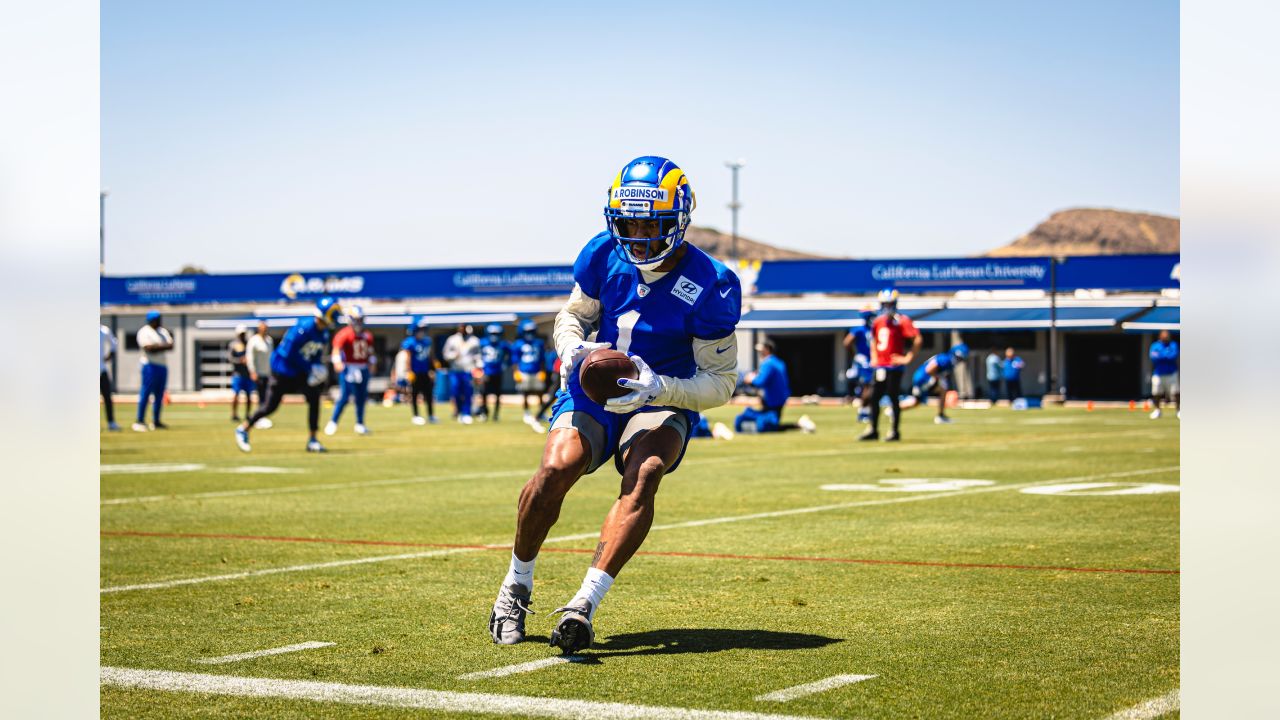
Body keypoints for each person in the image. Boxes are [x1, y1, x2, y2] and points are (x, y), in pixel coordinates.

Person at [488, 156, 740, 653]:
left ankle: (584, 602)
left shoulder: (712, 282)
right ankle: (514, 588)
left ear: (680, 221)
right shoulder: (603, 253)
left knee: (644, 472)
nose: (639, 235)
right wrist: (570, 351)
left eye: (652, 223)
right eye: (629, 222)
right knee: (556, 469)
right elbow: (572, 316)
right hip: (595, 389)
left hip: (660, 395)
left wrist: (659, 388)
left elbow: (721, 383)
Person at [235, 297, 341, 453]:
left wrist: (316, 368)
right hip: (283, 371)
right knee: (270, 407)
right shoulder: (303, 328)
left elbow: (316, 355)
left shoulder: (323, 334)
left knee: (314, 398)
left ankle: (312, 439)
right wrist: (310, 367)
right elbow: (289, 354)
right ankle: (243, 429)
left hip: (300, 371)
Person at [859, 289, 920, 442]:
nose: (887, 307)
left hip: (893, 367)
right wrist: (874, 357)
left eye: (889, 304)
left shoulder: (902, 320)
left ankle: (894, 431)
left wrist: (907, 358)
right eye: (884, 304)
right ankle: (873, 429)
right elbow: (874, 340)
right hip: (880, 365)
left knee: (893, 398)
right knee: (874, 398)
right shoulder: (878, 321)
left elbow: (917, 339)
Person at [735, 339, 815, 433]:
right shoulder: (779, 362)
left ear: (768, 349)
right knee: (770, 424)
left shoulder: (768, 363)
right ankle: (799, 425)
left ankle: (799, 424)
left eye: (762, 350)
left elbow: (760, 382)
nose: (760, 353)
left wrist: (750, 379)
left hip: (772, 400)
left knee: (767, 426)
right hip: (779, 398)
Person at [326, 305, 376, 436]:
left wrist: (372, 362)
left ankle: (360, 424)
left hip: (363, 367)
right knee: (344, 397)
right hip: (349, 367)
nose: (358, 322)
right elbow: (336, 349)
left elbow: (370, 352)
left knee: (361, 397)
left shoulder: (367, 335)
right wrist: (337, 362)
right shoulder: (344, 334)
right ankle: (333, 422)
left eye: (360, 319)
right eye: (356, 319)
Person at [903, 344, 968, 424]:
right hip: (923, 379)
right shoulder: (945, 359)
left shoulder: (947, 360)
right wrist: (940, 378)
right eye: (958, 358)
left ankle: (894, 409)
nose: (959, 360)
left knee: (916, 402)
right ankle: (940, 416)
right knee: (943, 389)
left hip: (922, 378)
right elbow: (929, 369)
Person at [134, 310, 174, 432]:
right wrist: (161, 346)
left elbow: (171, 345)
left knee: (159, 394)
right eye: (157, 319)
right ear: (151, 320)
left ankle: (156, 421)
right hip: (149, 365)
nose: (159, 321)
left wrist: (156, 346)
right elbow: (148, 348)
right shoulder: (144, 331)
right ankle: (140, 420)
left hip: (162, 366)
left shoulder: (163, 331)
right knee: (145, 393)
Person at [511, 319, 550, 433]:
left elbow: (542, 358)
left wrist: (543, 371)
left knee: (540, 393)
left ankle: (541, 412)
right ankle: (527, 413)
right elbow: (515, 360)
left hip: (536, 370)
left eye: (531, 331)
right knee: (525, 393)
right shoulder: (518, 344)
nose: (530, 333)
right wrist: (516, 372)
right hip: (524, 370)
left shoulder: (538, 343)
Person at [399, 318, 438, 425]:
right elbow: (407, 357)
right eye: (420, 329)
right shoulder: (410, 342)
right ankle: (416, 415)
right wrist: (408, 371)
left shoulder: (427, 341)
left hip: (425, 371)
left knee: (429, 394)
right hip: (415, 372)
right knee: (415, 394)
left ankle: (431, 415)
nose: (422, 332)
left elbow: (430, 356)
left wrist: (432, 369)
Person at [842, 306, 876, 423]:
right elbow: (847, 342)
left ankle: (864, 411)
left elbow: (847, 343)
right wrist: (856, 355)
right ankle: (864, 412)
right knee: (868, 387)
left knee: (868, 387)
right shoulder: (861, 330)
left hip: (869, 360)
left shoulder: (869, 329)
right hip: (866, 361)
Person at [442, 323, 481, 424]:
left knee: (468, 392)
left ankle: (467, 413)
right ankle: (459, 411)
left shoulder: (474, 340)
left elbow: (478, 355)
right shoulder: (452, 339)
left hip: (469, 370)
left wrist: (479, 368)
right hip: (456, 370)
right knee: (455, 391)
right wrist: (454, 355)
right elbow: (445, 354)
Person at [476, 323, 511, 422]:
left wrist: (505, 363)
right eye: (492, 333)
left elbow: (511, 354)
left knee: (498, 394)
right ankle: (484, 412)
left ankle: (496, 414)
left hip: (498, 371)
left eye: (496, 333)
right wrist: (479, 365)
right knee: (483, 393)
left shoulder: (503, 344)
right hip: (486, 372)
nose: (494, 336)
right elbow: (477, 354)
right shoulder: (483, 342)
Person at [246, 320, 275, 427]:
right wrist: (252, 371)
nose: (265, 330)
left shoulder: (269, 340)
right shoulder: (253, 341)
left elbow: (271, 357)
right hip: (258, 373)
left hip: (268, 373)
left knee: (267, 396)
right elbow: (250, 357)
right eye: (263, 328)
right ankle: (258, 418)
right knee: (260, 396)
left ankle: (262, 417)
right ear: (259, 329)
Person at [1149, 330, 1179, 419]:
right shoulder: (1155, 345)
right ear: (1160, 336)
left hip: (1171, 372)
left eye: (1167, 336)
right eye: (1164, 335)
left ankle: (1179, 410)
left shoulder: (1173, 345)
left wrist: (1161, 355)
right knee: (1156, 393)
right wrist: (1166, 355)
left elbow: (1173, 356)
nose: (1165, 337)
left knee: (1176, 392)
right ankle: (1157, 410)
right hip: (1158, 373)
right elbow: (1154, 357)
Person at [227, 325, 255, 422]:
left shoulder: (249, 344)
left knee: (249, 395)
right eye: (241, 334)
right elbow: (230, 358)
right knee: (236, 394)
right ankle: (234, 414)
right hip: (238, 374)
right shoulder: (233, 345)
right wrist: (240, 360)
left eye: (244, 334)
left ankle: (248, 414)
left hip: (248, 374)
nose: (242, 336)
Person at [100, 324, 120, 431]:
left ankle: (111, 422)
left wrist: (109, 355)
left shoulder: (104, 330)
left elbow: (114, 344)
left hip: (102, 369)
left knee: (107, 397)